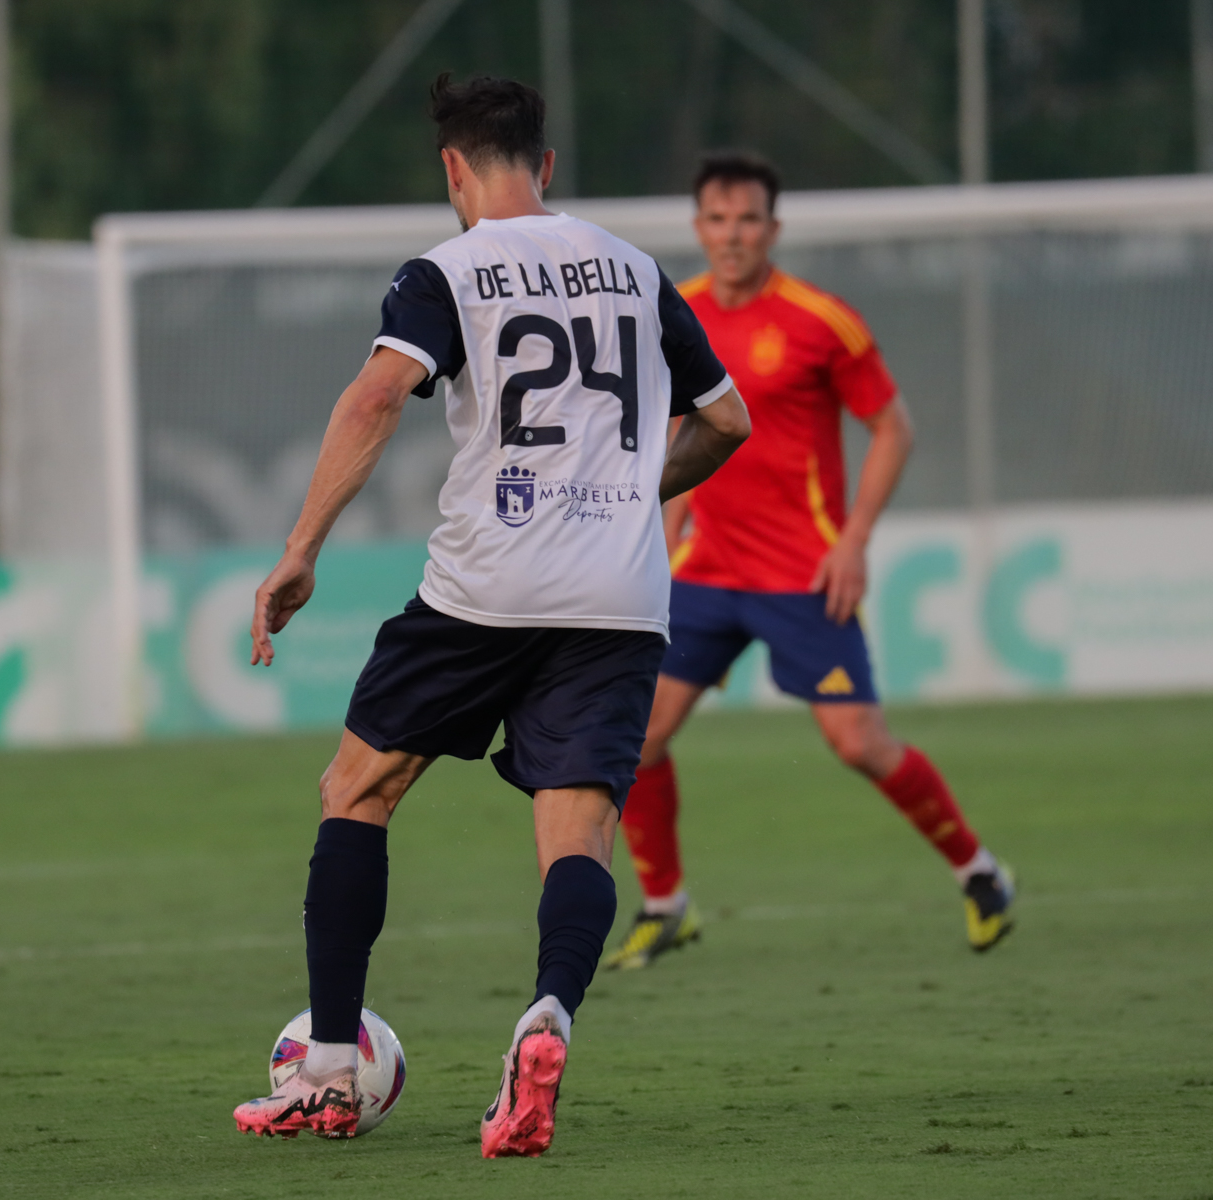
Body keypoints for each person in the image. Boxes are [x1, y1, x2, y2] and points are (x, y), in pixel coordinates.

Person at [231, 76, 749, 1157]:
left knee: (357, 790)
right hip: (620, 598)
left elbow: (378, 396)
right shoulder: (636, 268)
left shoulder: (447, 271)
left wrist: (301, 548)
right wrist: (625, 493)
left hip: (485, 590)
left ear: (453, 169)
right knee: (579, 830)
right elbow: (727, 421)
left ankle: (328, 1071)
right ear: (546, 166)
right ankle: (548, 1016)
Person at [604, 152, 1014, 972]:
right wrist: (662, 536)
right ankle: (666, 904)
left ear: (774, 228)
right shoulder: (673, 310)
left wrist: (853, 541)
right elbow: (677, 431)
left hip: (802, 573)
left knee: (859, 743)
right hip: (706, 572)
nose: (732, 235)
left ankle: (980, 872)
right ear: (698, 227)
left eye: (748, 220)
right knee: (637, 738)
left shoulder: (823, 321)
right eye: (718, 220)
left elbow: (893, 428)